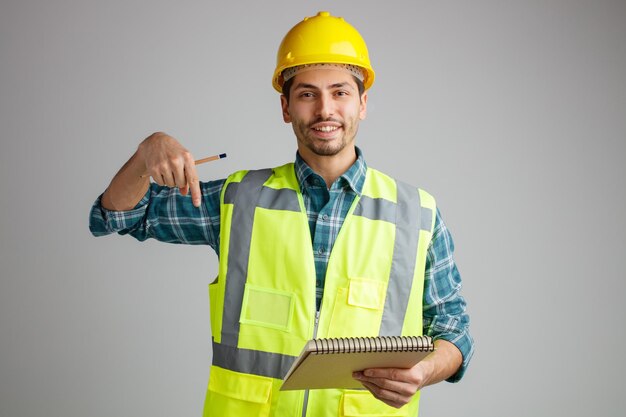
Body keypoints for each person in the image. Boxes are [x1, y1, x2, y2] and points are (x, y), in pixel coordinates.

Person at [90, 11, 473, 417]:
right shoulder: (239, 201)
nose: (325, 109)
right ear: (286, 107)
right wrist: (144, 156)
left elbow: (454, 331)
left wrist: (426, 369)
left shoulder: (418, 214)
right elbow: (118, 215)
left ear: (362, 104)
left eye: (340, 92)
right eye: (307, 94)